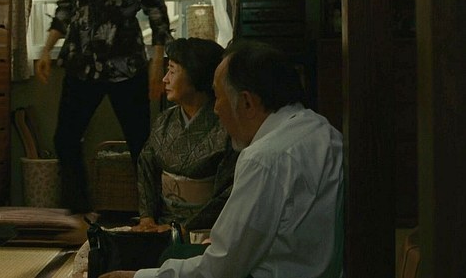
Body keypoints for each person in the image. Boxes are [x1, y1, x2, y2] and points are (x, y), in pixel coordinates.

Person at [101, 40, 344, 278]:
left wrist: (140, 276)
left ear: (247, 102)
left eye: (218, 97)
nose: (216, 109)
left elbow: (220, 269)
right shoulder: (324, 131)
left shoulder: (263, 159)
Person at [35, 0, 172, 214]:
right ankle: (80, 213)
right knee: (65, 139)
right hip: (81, 63)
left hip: (126, 64)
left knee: (140, 143)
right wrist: (46, 49)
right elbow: (65, 8)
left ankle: (151, 215)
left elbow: (156, 12)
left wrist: (157, 63)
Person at [132, 37, 238, 234]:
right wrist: (147, 219)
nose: (165, 79)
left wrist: (184, 228)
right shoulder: (165, 120)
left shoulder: (227, 127)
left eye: (172, 71)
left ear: (196, 75)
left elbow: (228, 191)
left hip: (206, 230)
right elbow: (146, 166)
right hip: (161, 225)